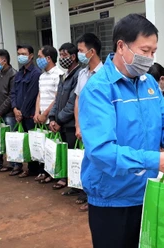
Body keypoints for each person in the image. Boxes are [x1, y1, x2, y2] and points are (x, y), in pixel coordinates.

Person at [79, 14, 164, 248]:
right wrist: (154, 160)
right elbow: (101, 151)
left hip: (150, 194)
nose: (150, 58)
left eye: (153, 51)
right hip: (112, 199)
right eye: (145, 50)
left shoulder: (149, 84)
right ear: (121, 46)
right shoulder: (99, 89)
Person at [64, 33, 103, 212]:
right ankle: (87, 194)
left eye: (80, 50)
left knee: (100, 163)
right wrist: (78, 125)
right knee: (87, 162)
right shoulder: (82, 74)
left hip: (100, 128)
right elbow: (78, 100)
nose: (78, 54)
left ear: (92, 52)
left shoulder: (105, 74)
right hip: (84, 128)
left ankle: (97, 198)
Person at [48, 43, 81, 189]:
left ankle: (77, 186)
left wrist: (60, 120)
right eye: (60, 55)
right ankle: (68, 181)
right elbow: (57, 99)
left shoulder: (79, 74)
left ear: (73, 57)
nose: (61, 58)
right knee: (65, 154)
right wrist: (53, 118)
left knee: (75, 156)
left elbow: (72, 102)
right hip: (61, 123)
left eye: (64, 55)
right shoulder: (63, 76)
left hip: (71, 124)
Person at [10, 44, 42, 177]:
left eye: (23, 54)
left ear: (31, 56)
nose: (21, 57)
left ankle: (33, 169)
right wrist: (14, 109)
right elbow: (13, 93)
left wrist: (21, 112)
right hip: (19, 114)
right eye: (19, 54)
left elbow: (31, 95)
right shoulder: (18, 74)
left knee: (32, 142)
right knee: (23, 142)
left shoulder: (36, 73)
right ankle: (26, 167)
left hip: (29, 115)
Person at [34, 45, 63, 182]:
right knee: (43, 147)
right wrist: (36, 112)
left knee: (53, 147)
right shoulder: (42, 76)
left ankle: (55, 173)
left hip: (50, 117)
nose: (37, 59)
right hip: (40, 117)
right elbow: (39, 95)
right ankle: (45, 171)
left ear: (48, 58)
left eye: (39, 57)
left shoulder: (58, 74)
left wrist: (46, 113)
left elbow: (57, 98)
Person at [0, 49, 18, 171]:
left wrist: (0, 110)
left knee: (12, 139)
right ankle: (3, 162)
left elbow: (11, 96)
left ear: (4, 60)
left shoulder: (13, 74)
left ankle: (15, 165)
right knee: (0, 139)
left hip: (9, 113)